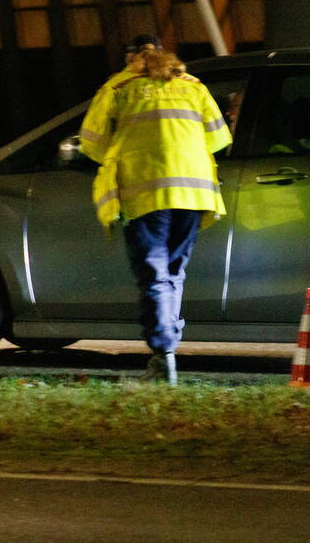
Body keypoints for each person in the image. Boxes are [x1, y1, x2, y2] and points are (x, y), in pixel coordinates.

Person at [79, 35, 232, 385]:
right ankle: (167, 355)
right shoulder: (193, 85)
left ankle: (163, 360)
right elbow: (220, 138)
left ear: (131, 59)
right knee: (173, 273)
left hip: (146, 193)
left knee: (154, 276)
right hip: (193, 195)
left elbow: (91, 142)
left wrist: (128, 149)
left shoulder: (119, 87)